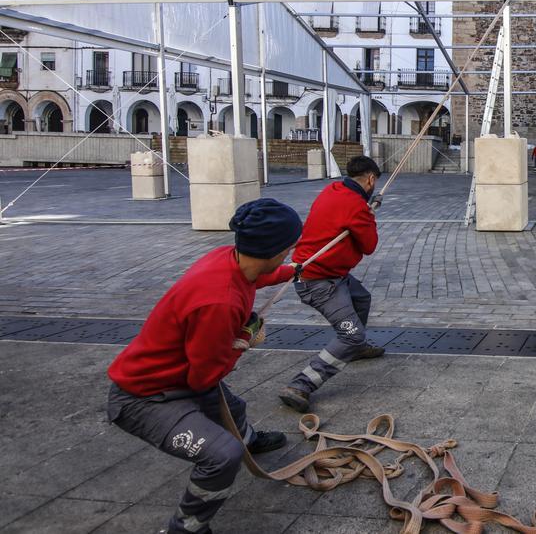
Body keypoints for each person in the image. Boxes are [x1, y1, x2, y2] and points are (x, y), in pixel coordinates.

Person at [106, 198, 304, 534]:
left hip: (179, 379)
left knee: (234, 408)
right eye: (289, 248)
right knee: (222, 456)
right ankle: (188, 526)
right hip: (144, 398)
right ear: (272, 249)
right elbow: (206, 377)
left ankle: (249, 441)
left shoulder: (228, 260)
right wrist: (245, 338)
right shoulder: (219, 302)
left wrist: (294, 271)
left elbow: (254, 280)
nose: (290, 251)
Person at [279, 156, 384, 413]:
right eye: (374, 182)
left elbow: (343, 216)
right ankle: (300, 385)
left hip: (330, 273)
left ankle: (356, 350)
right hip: (319, 281)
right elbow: (369, 246)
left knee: (361, 298)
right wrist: (368, 214)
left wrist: (365, 206)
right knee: (351, 334)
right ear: (371, 179)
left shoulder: (333, 190)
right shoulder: (356, 207)